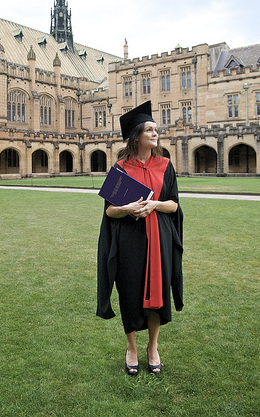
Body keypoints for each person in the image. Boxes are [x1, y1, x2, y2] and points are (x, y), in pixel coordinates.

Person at [96, 101, 183, 376]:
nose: (155, 134)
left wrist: (155, 205)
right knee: (131, 292)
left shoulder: (165, 166)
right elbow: (109, 210)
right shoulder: (120, 169)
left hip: (159, 238)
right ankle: (132, 347)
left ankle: (153, 347)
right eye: (149, 130)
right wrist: (128, 208)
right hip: (130, 241)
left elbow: (175, 206)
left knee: (158, 293)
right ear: (136, 136)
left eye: (156, 129)